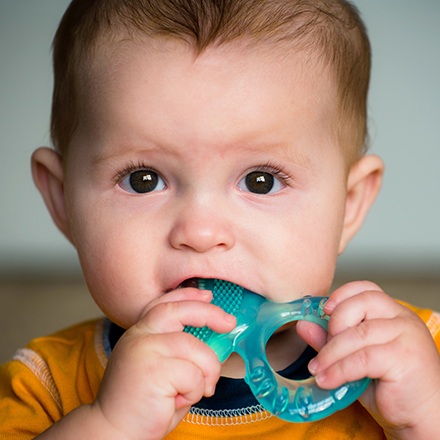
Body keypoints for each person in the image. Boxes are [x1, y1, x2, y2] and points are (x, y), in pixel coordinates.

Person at [1, 0, 440, 438]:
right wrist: (109, 425)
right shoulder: (45, 386)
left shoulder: (414, 360)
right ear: (63, 201)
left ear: (349, 204)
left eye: (261, 181)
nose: (201, 233)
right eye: (143, 179)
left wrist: (425, 415)